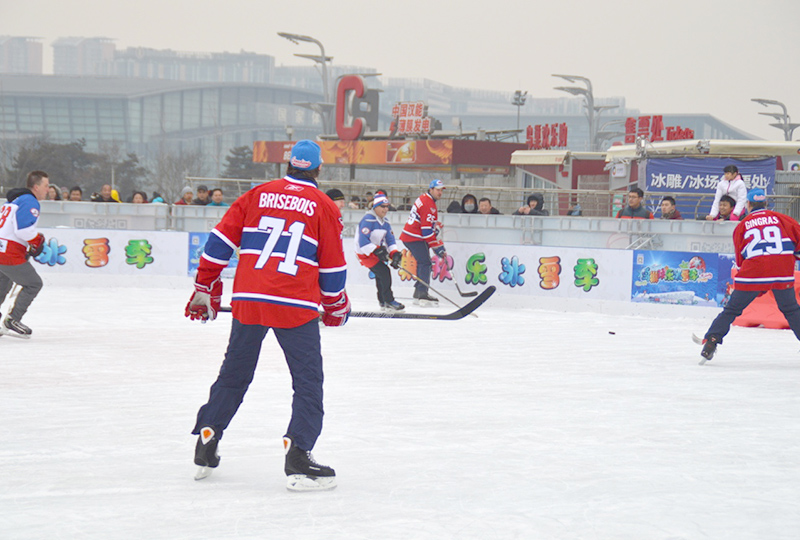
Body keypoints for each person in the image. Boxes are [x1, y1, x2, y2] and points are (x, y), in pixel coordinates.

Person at [186, 140, 348, 491]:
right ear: (318, 169)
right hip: (294, 303)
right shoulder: (323, 205)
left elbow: (217, 245)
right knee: (307, 381)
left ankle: (208, 436)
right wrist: (336, 307)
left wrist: (205, 287)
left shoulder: (258, 194)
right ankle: (299, 453)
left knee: (234, 374)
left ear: (289, 165)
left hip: (250, 299)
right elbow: (332, 271)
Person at [699, 189, 800, 362]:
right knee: (791, 310)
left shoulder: (742, 225)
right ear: (766, 204)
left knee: (732, 310)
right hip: (781, 272)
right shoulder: (784, 220)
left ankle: (712, 340)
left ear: (748, 205)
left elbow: (740, 260)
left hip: (754, 273)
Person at [0, 170, 48, 338]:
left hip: (1, 249)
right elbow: (24, 230)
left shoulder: (14, 201)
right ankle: (13, 319)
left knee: (3, 283)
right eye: (46, 185)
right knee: (34, 283)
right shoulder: (30, 201)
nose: (48, 190)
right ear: (36, 186)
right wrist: (36, 240)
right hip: (9, 253)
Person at [399, 179, 447, 306]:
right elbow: (426, 232)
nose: (440, 192)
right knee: (425, 263)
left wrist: (434, 227)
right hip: (414, 237)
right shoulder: (429, 204)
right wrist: (438, 248)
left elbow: (425, 224)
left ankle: (418, 293)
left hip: (411, 235)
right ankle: (422, 294)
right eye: (438, 190)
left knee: (423, 262)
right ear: (430, 189)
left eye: (442, 190)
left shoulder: (424, 199)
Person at [355, 193, 404, 312]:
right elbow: (363, 242)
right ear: (375, 207)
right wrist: (376, 250)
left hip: (377, 252)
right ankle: (388, 300)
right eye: (383, 206)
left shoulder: (385, 222)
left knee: (380, 275)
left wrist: (394, 253)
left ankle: (382, 300)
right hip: (364, 253)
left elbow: (390, 240)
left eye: (387, 206)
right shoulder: (368, 220)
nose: (386, 209)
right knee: (384, 272)